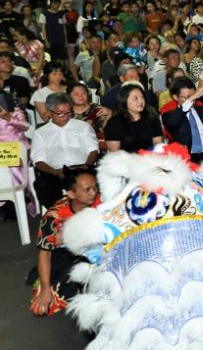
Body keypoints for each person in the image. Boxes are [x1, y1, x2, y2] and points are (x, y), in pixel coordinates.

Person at [27, 168, 98, 317]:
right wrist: (46, 289)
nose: (94, 192)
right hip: (70, 254)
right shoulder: (54, 216)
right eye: (87, 189)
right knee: (42, 308)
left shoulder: (105, 203)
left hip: (102, 249)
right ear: (71, 194)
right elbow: (45, 253)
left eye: (95, 187)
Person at [30, 93, 99, 207]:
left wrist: (86, 166)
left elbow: (93, 150)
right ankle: (59, 216)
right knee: (43, 185)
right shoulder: (40, 133)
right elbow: (39, 161)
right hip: (55, 171)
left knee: (101, 179)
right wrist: (56, 172)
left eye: (68, 112)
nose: (65, 116)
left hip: (83, 167)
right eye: (60, 113)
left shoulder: (83, 126)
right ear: (49, 112)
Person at [102, 84, 164, 154]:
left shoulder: (152, 118)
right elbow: (115, 152)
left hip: (149, 159)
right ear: (124, 100)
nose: (140, 101)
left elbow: (158, 145)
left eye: (142, 97)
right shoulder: (114, 122)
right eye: (135, 98)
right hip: (124, 161)